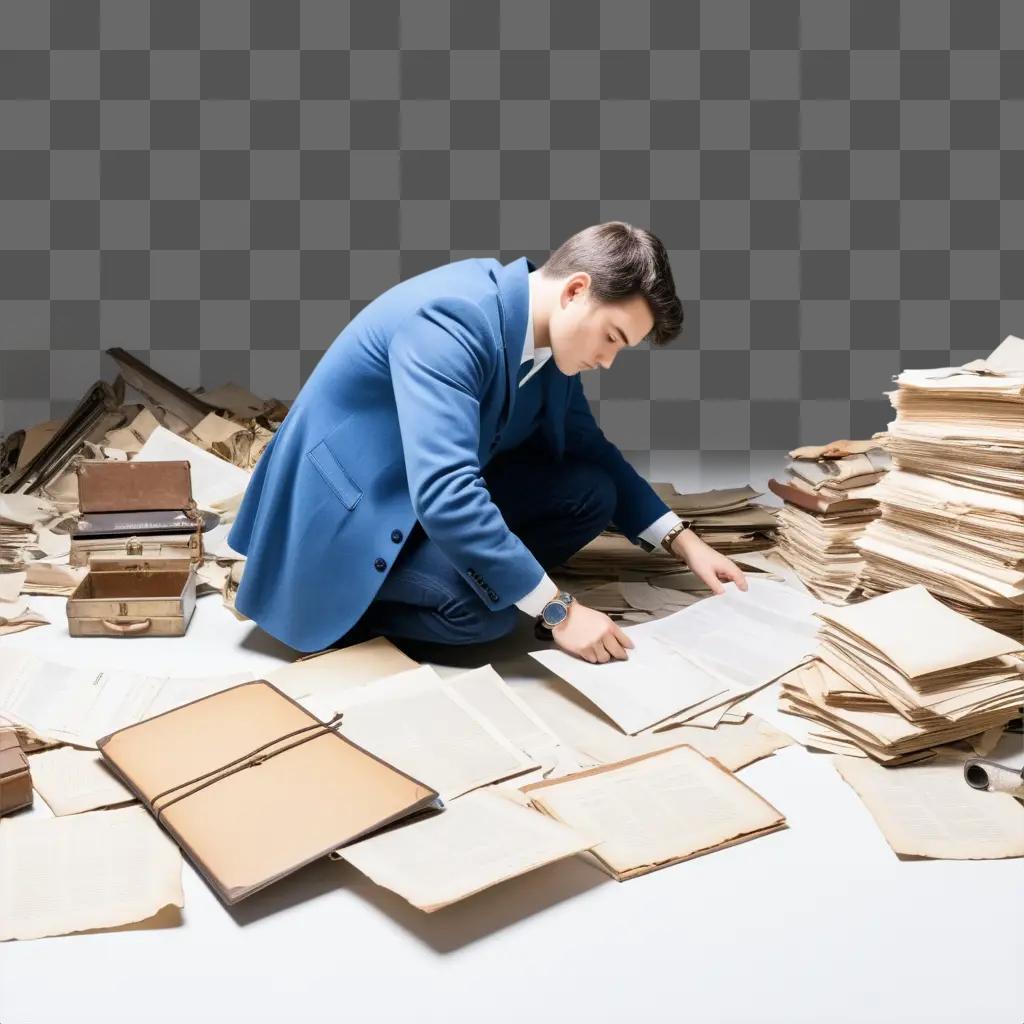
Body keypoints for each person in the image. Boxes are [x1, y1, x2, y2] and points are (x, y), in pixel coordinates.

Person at [228, 222, 747, 663]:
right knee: (482, 616)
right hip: (349, 513)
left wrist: (685, 540)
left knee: (590, 491)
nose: (609, 360)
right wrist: (557, 609)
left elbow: (590, 447)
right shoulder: (453, 321)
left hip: (415, 494)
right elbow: (447, 493)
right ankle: (337, 604)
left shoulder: (544, 334)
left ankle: (495, 575)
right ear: (575, 291)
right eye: (611, 337)